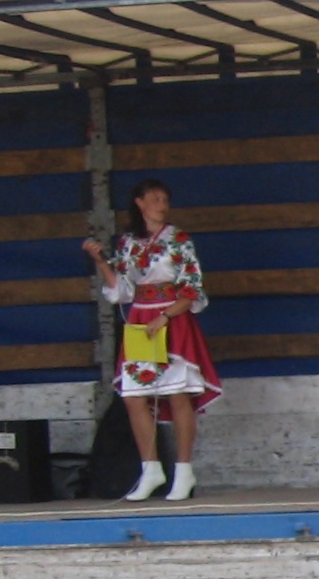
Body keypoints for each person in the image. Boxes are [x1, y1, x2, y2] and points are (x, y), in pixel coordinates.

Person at [82, 178, 220, 501]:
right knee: (134, 396)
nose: (162, 205)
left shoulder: (179, 239)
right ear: (140, 203)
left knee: (177, 394)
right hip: (142, 321)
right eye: (155, 199)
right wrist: (101, 261)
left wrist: (167, 315)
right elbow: (122, 289)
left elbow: (192, 288)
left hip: (172, 319)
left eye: (165, 199)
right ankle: (150, 468)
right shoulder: (128, 242)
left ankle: (183, 471)